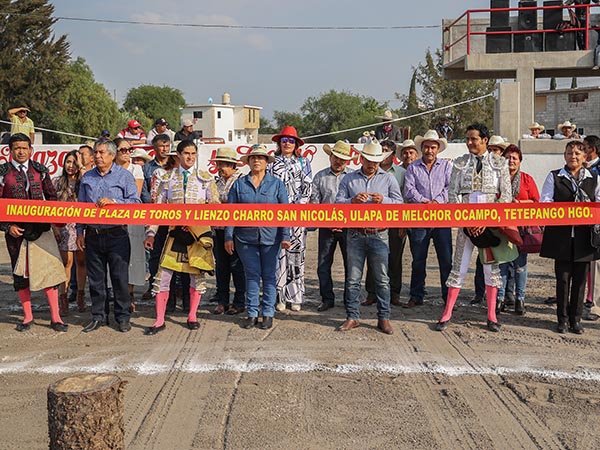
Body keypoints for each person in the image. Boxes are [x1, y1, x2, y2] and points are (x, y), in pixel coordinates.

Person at [436, 123, 512, 333]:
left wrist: (486, 222)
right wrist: (468, 222)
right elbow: (452, 195)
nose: (469, 142)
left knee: (491, 270)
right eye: (468, 139)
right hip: (466, 225)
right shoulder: (459, 163)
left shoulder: (499, 162)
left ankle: (491, 315)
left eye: (473, 139)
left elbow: (505, 197)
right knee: (458, 268)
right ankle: (447, 313)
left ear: (485, 140)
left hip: (489, 226)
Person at [143, 140, 219, 335]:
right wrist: (151, 233)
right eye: (186, 153)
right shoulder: (166, 179)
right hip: (174, 233)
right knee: (163, 277)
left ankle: (192, 316)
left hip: (197, 235)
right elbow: (157, 210)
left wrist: (207, 230)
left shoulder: (206, 178)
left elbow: (216, 208)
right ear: (178, 154)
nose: (190, 157)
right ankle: (159, 320)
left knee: (197, 277)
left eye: (193, 154)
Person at [0, 133, 67, 332]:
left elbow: (52, 197)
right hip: (16, 232)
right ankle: (28, 317)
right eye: (17, 148)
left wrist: (54, 222)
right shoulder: (3, 172)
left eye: (24, 147)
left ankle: (56, 318)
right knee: (21, 275)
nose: (21, 151)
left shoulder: (40, 170)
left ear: (31, 149)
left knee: (49, 273)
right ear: (10, 150)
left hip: (41, 229)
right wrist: (7, 226)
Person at [335, 141, 403, 335]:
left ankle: (384, 317)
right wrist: (352, 201)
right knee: (353, 279)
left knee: (382, 279)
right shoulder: (349, 179)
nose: (372, 163)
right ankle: (353, 316)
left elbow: (399, 204)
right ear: (362, 158)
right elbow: (338, 203)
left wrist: (385, 201)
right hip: (356, 234)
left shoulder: (389, 180)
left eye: (376, 160)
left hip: (379, 233)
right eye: (369, 160)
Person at [76, 138, 141, 333]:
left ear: (112, 155)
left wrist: (115, 202)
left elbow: (136, 203)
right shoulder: (87, 178)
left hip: (117, 234)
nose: (97, 156)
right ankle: (98, 316)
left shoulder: (124, 176)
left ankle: (122, 317)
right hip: (93, 234)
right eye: (95, 152)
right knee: (96, 279)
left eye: (101, 152)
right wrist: (79, 231)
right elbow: (81, 207)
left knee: (120, 278)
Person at [225, 144, 291, 330]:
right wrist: (228, 236)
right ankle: (252, 313)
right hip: (245, 238)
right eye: (253, 158)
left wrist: (285, 235)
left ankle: (268, 313)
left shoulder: (277, 184)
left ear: (266, 162)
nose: (256, 161)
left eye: (260, 158)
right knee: (252, 276)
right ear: (248, 162)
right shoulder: (239, 184)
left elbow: (284, 212)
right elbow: (231, 213)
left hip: (271, 238)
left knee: (269, 276)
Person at [540, 139, 600, 334]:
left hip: (585, 237)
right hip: (561, 237)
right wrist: (565, 211)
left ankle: (576, 320)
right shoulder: (555, 176)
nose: (572, 156)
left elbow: (598, 204)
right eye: (569, 153)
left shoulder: (594, 178)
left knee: (581, 280)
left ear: (585, 156)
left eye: (577, 153)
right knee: (563, 280)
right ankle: (562, 320)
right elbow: (546, 202)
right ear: (564, 156)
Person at [404, 130, 453, 308]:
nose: (429, 150)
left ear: (438, 149)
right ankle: (416, 295)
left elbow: (450, 188)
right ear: (421, 148)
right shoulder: (413, 167)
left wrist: (437, 202)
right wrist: (426, 202)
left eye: (433, 147)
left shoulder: (447, 166)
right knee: (418, 259)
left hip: (441, 219)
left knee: (446, 260)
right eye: (426, 147)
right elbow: (409, 191)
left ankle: (448, 296)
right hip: (420, 219)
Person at [268, 125, 312, 312]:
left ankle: (295, 297)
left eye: (291, 140)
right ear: (279, 142)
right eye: (284, 140)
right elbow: (267, 186)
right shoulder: (271, 163)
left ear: (296, 144)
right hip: (276, 216)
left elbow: (308, 188)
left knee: (296, 256)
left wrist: (296, 207)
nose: (287, 143)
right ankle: (279, 296)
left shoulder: (303, 163)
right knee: (278, 257)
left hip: (296, 217)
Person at [497, 145, 540, 315]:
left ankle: (520, 299)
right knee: (501, 264)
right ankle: (500, 298)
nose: (511, 161)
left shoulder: (527, 180)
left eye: (514, 158)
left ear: (520, 161)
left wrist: (519, 204)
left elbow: (536, 202)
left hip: (521, 229)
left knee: (520, 265)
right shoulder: (497, 179)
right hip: (502, 227)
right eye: (508, 157)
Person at [311, 141, 354, 312]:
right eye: (336, 157)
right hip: (326, 227)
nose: (339, 162)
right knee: (323, 264)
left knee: (351, 265)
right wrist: (327, 221)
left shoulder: (353, 177)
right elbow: (315, 204)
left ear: (347, 161)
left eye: (342, 159)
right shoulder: (319, 177)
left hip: (349, 228)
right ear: (330, 157)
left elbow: (356, 204)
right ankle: (327, 298)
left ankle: (349, 298)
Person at [364, 140, 406, 306]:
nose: (382, 154)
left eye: (385, 151)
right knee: (372, 256)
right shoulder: (371, 173)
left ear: (393, 156)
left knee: (395, 258)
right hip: (374, 221)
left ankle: (394, 293)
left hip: (395, 220)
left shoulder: (401, 173)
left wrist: (403, 222)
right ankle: (371, 292)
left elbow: (403, 199)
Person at [210, 147, 246, 316]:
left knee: (237, 266)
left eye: (224, 164)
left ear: (232, 165)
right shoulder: (215, 182)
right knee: (221, 267)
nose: (221, 167)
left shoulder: (241, 182)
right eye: (219, 164)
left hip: (237, 231)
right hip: (218, 229)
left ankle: (239, 301)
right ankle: (222, 300)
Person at [53, 150, 87, 314]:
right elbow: (49, 207)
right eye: (68, 162)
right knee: (66, 263)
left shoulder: (85, 181)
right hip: (64, 228)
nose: (71, 166)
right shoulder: (56, 182)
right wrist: (54, 226)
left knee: (81, 263)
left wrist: (82, 167)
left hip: (81, 227)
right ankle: (63, 298)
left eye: (74, 163)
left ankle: (80, 296)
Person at [114, 138, 146, 312]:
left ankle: (130, 295)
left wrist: (114, 200)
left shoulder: (137, 169)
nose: (126, 152)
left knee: (133, 258)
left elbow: (135, 194)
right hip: (113, 220)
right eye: (123, 149)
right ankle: (119, 294)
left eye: (129, 149)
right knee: (116, 258)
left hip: (133, 218)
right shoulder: (109, 170)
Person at [583, 135, 600, 319]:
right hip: (592, 222)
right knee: (595, 264)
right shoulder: (582, 168)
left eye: (585, 147)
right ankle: (595, 305)